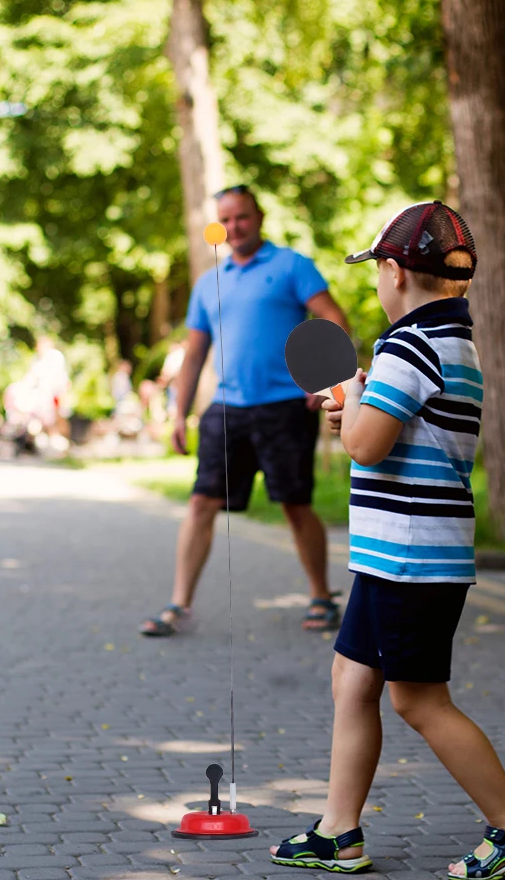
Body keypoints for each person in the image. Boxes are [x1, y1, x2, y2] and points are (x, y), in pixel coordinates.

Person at [268, 201, 505, 880]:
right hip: (395, 552)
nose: (375, 283)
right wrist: (360, 394)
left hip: (412, 555)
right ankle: (339, 832)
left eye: (375, 271)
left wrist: (349, 396)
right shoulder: (452, 341)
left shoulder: (409, 344)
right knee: (352, 678)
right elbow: (397, 429)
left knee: (418, 699)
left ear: (395, 272)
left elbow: (366, 446)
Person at [140, 186, 350, 637]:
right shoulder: (208, 282)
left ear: (259, 217)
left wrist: (328, 377)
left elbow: (332, 316)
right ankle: (179, 605)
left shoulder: (292, 266)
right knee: (201, 502)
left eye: (242, 218)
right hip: (226, 410)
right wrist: (178, 414)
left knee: (296, 505)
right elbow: (194, 354)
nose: (234, 227)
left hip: (284, 407)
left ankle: (321, 595)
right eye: (226, 220)